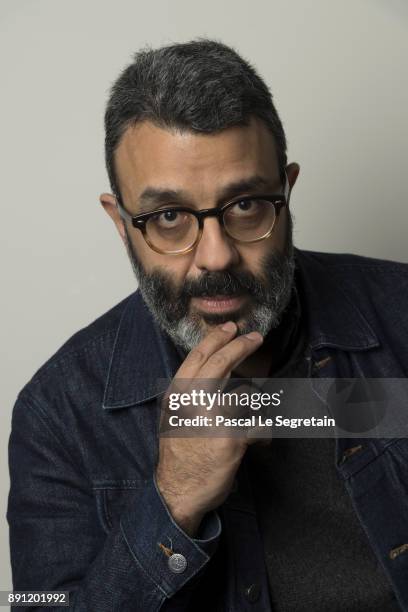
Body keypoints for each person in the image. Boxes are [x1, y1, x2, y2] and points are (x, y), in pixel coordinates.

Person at [7, 39, 408, 612]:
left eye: (245, 205)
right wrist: (172, 502)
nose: (215, 257)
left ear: (286, 191)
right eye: (169, 217)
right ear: (121, 222)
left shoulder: (400, 315)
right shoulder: (59, 413)